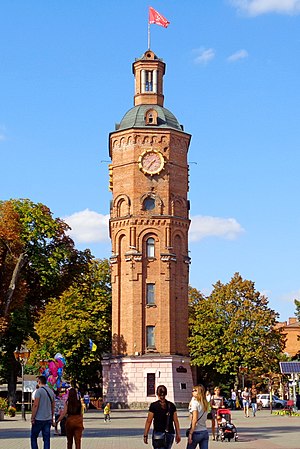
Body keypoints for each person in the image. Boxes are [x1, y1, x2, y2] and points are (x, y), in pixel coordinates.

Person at [144, 384, 181, 449]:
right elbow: (176, 421)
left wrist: (145, 435)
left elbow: (148, 422)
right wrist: (178, 434)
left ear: (157, 393)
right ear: (166, 393)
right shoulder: (172, 405)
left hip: (158, 433)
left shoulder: (154, 406)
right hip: (169, 433)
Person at [31, 375, 55, 449]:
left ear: (39, 382)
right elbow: (53, 406)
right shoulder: (51, 391)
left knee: (34, 437)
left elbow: (35, 405)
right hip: (48, 419)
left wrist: (32, 417)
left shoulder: (39, 391)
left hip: (39, 418)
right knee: (46, 439)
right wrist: (52, 417)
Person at [187, 385, 209, 449]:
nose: (192, 391)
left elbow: (195, 419)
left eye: (195, 390)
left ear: (199, 392)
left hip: (196, 431)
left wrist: (190, 433)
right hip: (204, 431)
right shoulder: (205, 403)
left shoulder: (195, 403)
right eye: (193, 390)